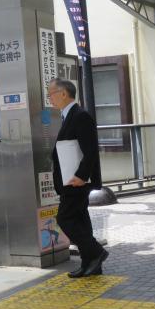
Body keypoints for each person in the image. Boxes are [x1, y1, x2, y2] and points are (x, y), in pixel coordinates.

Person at [49, 78, 108, 277]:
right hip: (71, 180)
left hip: (76, 182)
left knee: (64, 218)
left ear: (63, 93)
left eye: (51, 94)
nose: (50, 99)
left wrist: (81, 176)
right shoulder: (70, 116)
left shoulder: (80, 116)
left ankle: (96, 253)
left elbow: (90, 150)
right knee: (80, 219)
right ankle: (90, 264)